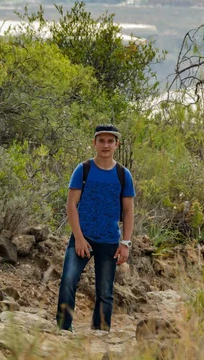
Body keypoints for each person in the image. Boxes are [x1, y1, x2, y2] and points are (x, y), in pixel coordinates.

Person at [56, 124, 135, 332]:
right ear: (94, 143)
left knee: (105, 292)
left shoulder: (123, 174)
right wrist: (79, 238)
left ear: (117, 145)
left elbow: (128, 211)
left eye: (110, 141)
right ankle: (63, 330)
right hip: (83, 237)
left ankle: (100, 336)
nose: (106, 145)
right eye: (101, 140)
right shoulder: (83, 170)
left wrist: (125, 243)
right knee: (68, 281)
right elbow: (71, 205)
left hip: (109, 240)